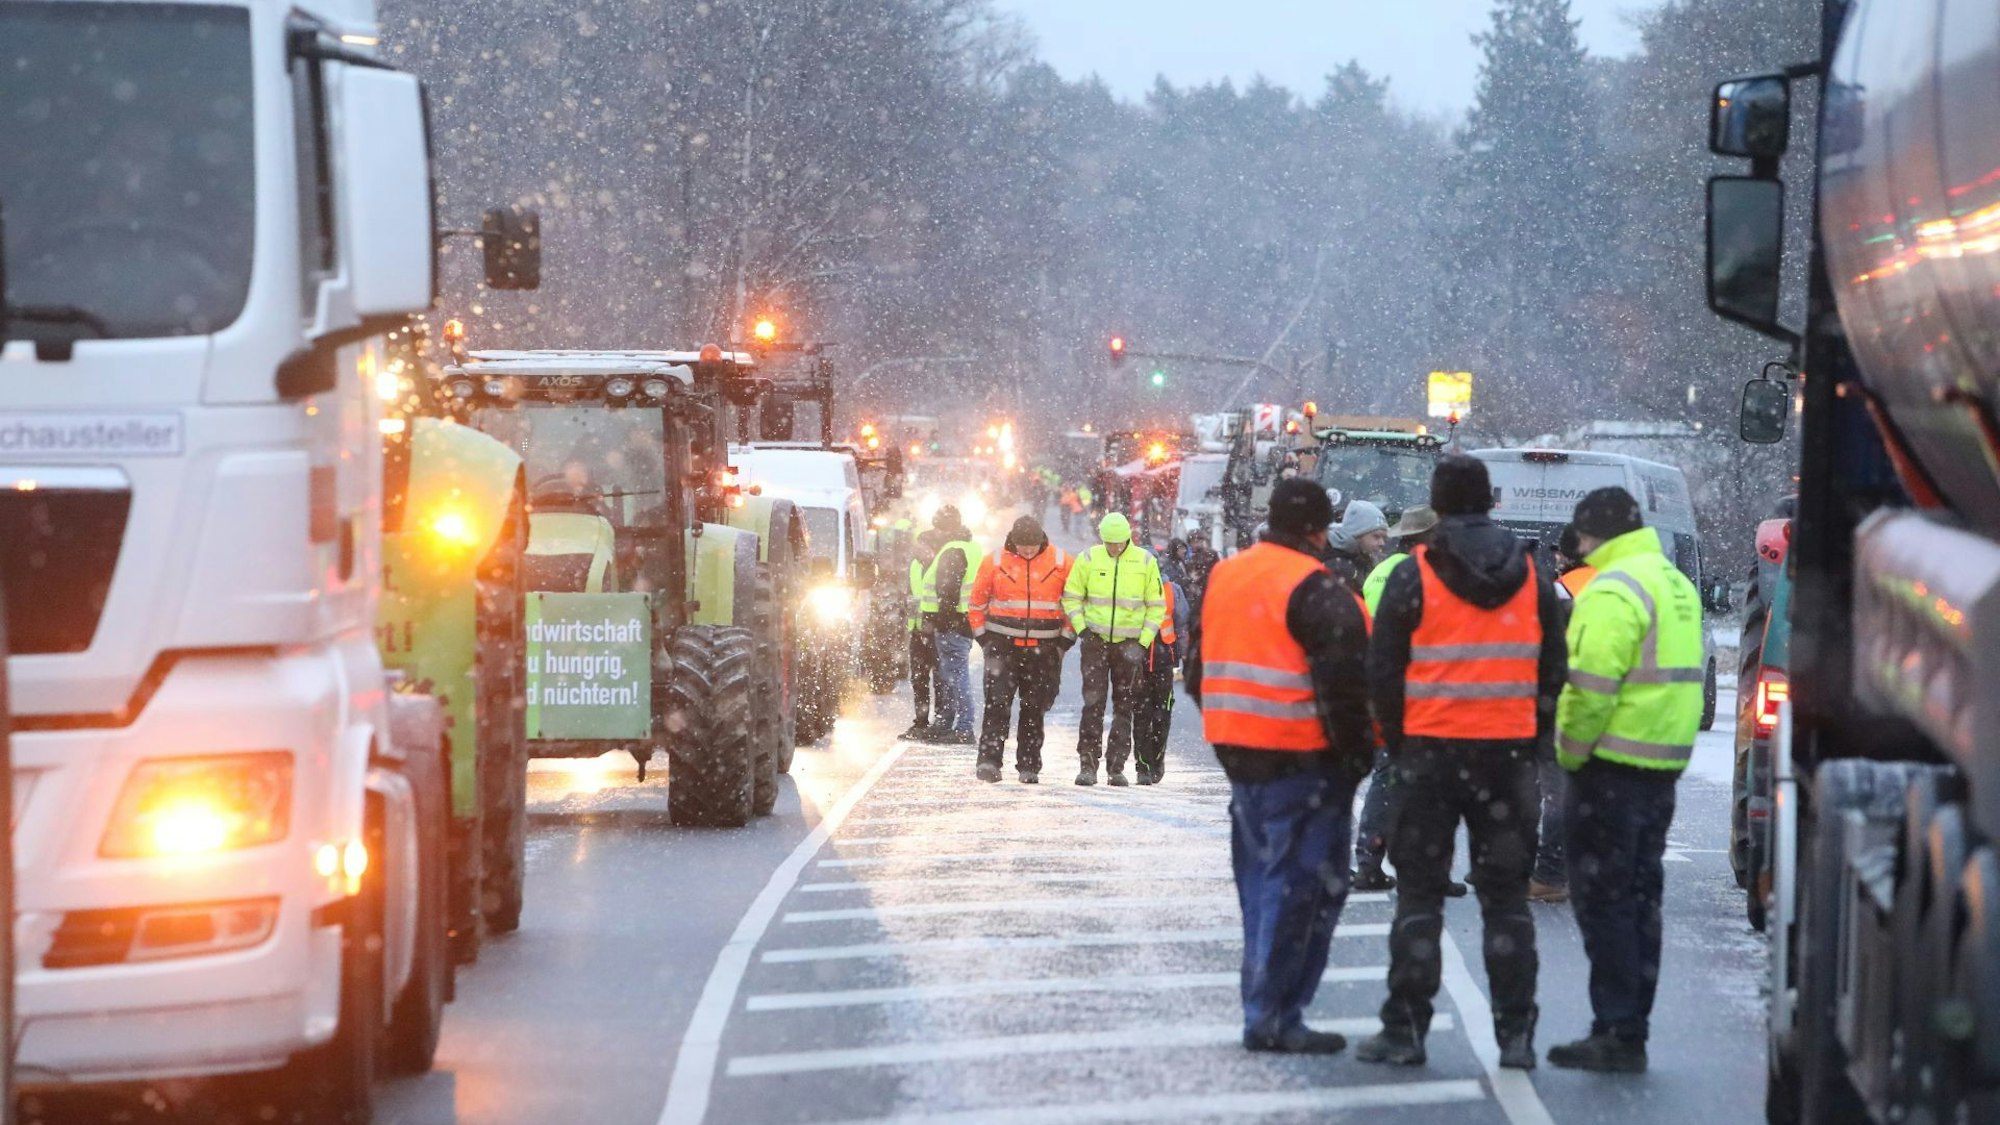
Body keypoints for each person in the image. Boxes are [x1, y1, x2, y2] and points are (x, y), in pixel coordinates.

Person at [1356, 454, 1566, 1072]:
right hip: (1506, 762)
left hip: (1429, 758)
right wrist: (1531, 738)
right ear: (1491, 501)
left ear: (1437, 505)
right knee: (1506, 902)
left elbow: (1383, 672)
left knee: (1419, 898)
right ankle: (1517, 1035)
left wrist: (1401, 743)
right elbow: (1552, 669)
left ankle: (1406, 1030)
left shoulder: (1414, 573)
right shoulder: (1531, 573)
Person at [1186, 477, 1374, 1054]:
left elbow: (1197, 671)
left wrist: (1233, 726)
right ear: (1321, 529)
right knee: (1306, 891)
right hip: (1306, 761)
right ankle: (1274, 1014)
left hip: (1241, 756)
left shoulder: (1227, 574)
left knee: (1263, 884)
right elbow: (1347, 693)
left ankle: (1263, 1006)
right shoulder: (1320, 591)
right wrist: (1357, 760)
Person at [1546, 488, 1704, 1074]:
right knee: (1641, 899)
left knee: (1603, 901)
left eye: (1581, 537)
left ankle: (1613, 1029)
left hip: (1608, 768)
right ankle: (1631, 1024)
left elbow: (1589, 689)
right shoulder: (1673, 583)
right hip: (1658, 769)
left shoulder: (1613, 589)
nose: (1577, 549)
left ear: (1594, 536)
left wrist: (1569, 752)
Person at [1352, 505, 1454, 894]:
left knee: (1391, 778)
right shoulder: (1412, 574)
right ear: (1424, 539)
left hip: (1390, 686)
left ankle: (1371, 861)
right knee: (1419, 783)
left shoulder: (1383, 571)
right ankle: (1418, 868)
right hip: (1418, 687)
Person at [1061, 511, 1166, 786]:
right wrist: (1083, 630)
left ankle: (1116, 767)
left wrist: (1142, 643)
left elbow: (1156, 607)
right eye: (1109, 543)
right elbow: (1071, 597)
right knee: (1092, 704)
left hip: (1130, 646)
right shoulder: (1088, 559)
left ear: (1128, 539)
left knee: (1124, 707)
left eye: (1118, 543)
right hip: (1095, 643)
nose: (1113, 548)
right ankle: (1088, 764)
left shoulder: (1145, 562)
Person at [967, 517, 1072, 783]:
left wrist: (1063, 643)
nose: (1028, 551)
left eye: (1033, 546)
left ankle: (1029, 765)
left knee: (1034, 708)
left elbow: (1075, 605)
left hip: (1044, 649)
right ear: (1013, 542)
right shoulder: (994, 562)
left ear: (1042, 541)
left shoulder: (1062, 563)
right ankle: (989, 762)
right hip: (1002, 647)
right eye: (1023, 546)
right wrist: (985, 641)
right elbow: (976, 603)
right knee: (997, 705)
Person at [1530, 523, 1595, 905]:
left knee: (1552, 793)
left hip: (1560, 702)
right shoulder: (1615, 586)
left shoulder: (1560, 590)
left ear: (1567, 556)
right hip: (1605, 702)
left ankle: (1549, 873)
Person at [918, 507, 983, 744]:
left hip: (953, 623)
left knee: (956, 675)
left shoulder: (952, 551)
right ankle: (953, 723)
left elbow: (947, 590)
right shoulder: (971, 548)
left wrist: (942, 623)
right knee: (954, 674)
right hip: (966, 620)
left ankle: (964, 727)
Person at [1131, 570, 1188, 784]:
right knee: (1142, 715)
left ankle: (1156, 761)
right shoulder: (1131, 585)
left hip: (1164, 661)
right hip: (1138, 660)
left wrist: (1185, 657)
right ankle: (1143, 767)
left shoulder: (1172, 590)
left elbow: (1182, 625)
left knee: (1162, 715)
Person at [901, 527, 948, 740]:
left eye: (923, 546)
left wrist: (933, 622)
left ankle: (940, 723)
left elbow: (945, 599)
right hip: (917, 630)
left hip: (936, 632)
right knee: (919, 679)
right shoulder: (914, 566)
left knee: (940, 679)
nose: (918, 550)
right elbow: (911, 592)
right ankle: (920, 723)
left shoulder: (941, 567)